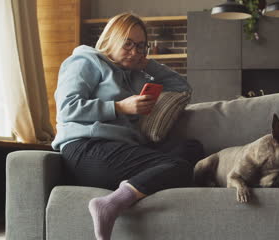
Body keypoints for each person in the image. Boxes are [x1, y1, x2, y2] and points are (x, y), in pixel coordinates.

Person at [52, 12, 204, 240]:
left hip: (122, 149)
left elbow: (181, 86)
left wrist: (148, 64)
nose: (135, 51)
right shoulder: (85, 61)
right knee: (177, 166)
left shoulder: (136, 75)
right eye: (128, 44)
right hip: (87, 148)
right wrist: (120, 107)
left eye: (141, 46)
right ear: (111, 39)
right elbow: (67, 108)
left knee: (193, 149)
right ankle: (109, 205)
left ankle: (126, 191)